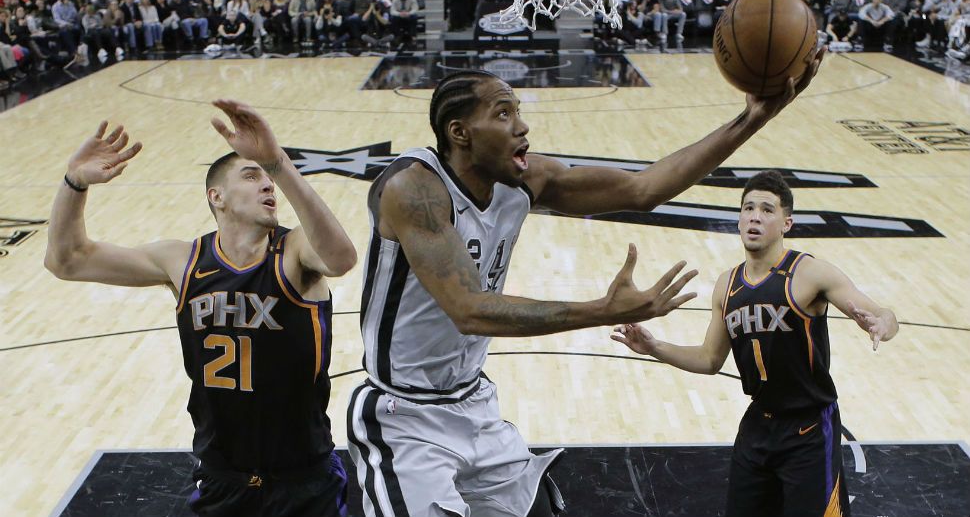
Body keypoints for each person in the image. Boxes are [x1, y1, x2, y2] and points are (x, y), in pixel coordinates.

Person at [347, 47, 825, 516]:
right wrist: (603, 310)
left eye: (518, 111)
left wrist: (754, 118)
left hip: (473, 402)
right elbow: (468, 310)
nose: (522, 125)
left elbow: (645, 189)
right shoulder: (414, 189)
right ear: (461, 132)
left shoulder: (524, 181)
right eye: (504, 113)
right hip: (403, 416)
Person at [44, 100, 357, 517]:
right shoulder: (183, 261)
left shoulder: (294, 250)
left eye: (269, 180)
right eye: (252, 175)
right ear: (217, 196)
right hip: (220, 477)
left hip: (303, 478)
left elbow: (341, 259)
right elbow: (66, 260)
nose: (267, 186)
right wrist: (73, 183)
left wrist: (277, 163)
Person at [611, 170, 898, 517]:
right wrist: (655, 347)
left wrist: (882, 323)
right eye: (748, 208)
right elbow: (709, 358)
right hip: (758, 427)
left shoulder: (809, 273)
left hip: (808, 430)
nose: (755, 217)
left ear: (786, 223)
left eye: (766, 210)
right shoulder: (727, 285)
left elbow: (883, 313)